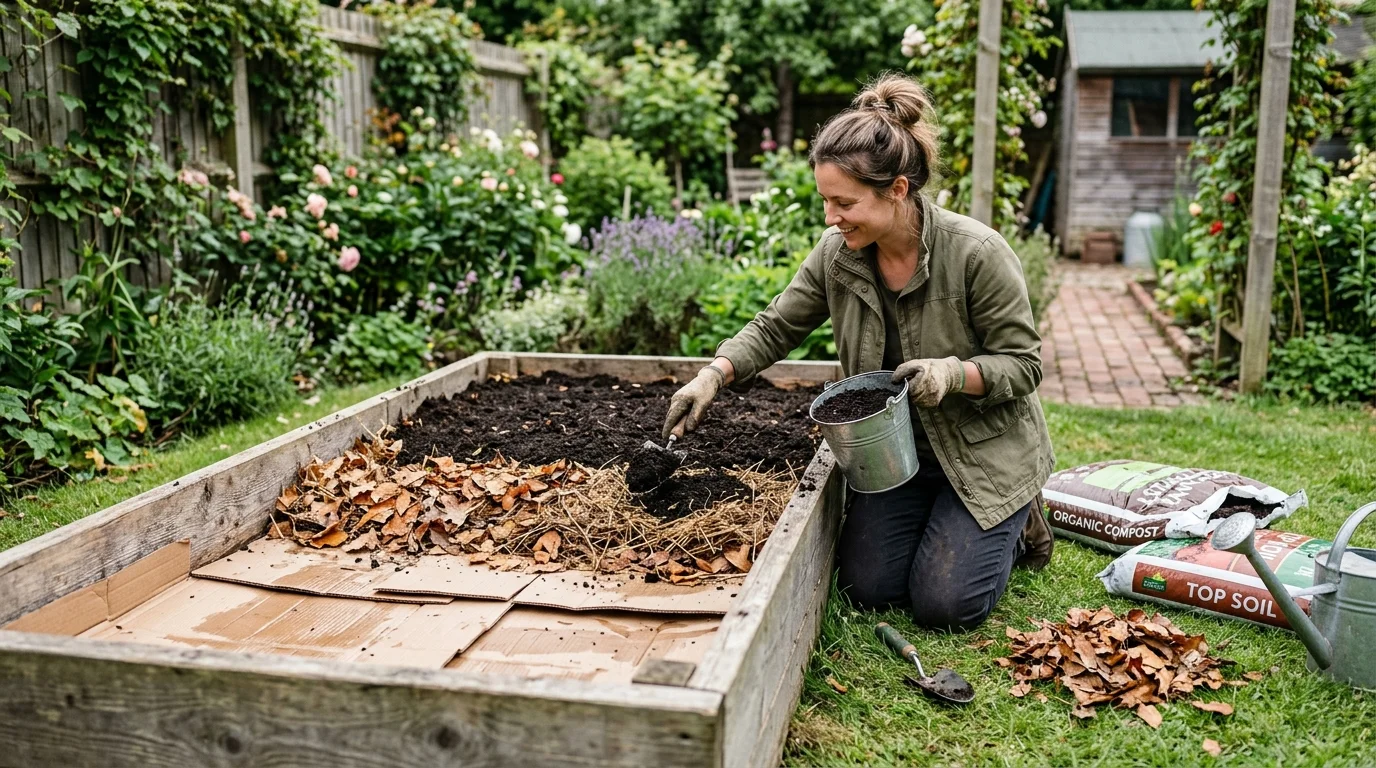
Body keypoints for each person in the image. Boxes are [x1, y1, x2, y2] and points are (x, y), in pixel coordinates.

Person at [661, 73, 1055, 631]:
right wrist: (713, 375)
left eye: (844, 202)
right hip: (895, 459)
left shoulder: (975, 254)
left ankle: (1019, 513)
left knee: (944, 605)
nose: (830, 217)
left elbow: (1025, 364)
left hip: (981, 451)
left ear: (897, 189)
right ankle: (949, 523)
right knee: (868, 587)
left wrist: (952, 373)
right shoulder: (838, 255)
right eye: (826, 200)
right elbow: (776, 325)